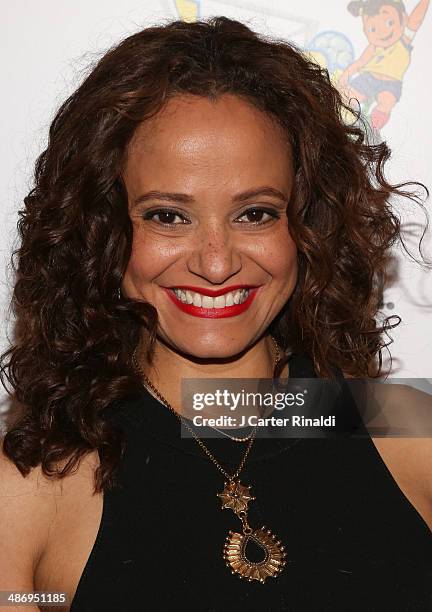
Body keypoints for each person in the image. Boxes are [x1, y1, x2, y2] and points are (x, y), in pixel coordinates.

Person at [0, 16, 431, 612]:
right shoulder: (32, 486)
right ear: (102, 229)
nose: (216, 262)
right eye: (167, 216)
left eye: (254, 213)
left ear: (306, 226)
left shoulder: (403, 424)